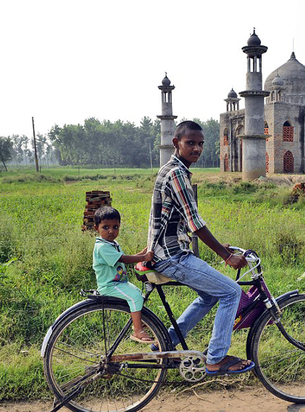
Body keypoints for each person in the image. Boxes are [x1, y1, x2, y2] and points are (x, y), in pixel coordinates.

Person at [147, 120, 254, 376]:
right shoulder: (177, 174)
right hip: (171, 256)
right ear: (176, 143)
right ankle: (215, 359)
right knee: (231, 292)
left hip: (168, 251)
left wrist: (219, 245)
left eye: (200, 144)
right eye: (190, 143)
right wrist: (226, 255)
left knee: (209, 295)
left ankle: (166, 342)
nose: (196, 148)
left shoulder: (174, 169)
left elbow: (179, 221)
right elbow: (195, 223)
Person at [93, 206, 155, 343]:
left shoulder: (112, 243)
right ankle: (138, 330)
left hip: (119, 283)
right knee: (135, 297)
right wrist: (143, 257)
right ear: (96, 228)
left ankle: (137, 323)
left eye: (115, 227)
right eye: (105, 227)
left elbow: (124, 257)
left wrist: (143, 253)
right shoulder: (102, 247)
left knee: (139, 294)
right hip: (109, 285)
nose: (111, 231)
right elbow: (123, 259)